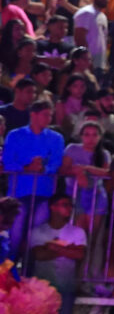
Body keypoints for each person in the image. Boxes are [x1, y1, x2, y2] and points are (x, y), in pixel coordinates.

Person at [18, 192, 86, 314]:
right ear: (53, 207)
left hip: (65, 285)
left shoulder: (77, 231)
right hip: (41, 287)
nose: (69, 209)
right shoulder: (38, 231)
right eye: (65, 205)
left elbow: (79, 255)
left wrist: (53, 248)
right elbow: (38, 255)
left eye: (70, 205)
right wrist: (66, 250)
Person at [3, 98, 66, 253]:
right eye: (45, 115)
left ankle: (30, 271)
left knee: (37, 237)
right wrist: (27, 167)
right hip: (19, 192)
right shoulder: (15, 135)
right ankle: (9, 271)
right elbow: (8, 161)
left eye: (50, 115)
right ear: (33, 115)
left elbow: (57, 163)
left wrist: (44, 169)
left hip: (44, 193)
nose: (48, 119)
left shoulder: (56, 138)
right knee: (15, 235)